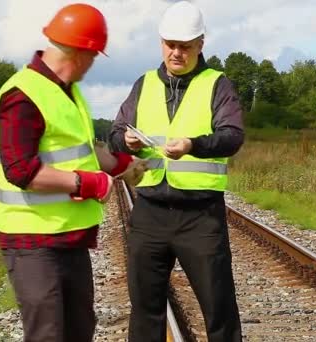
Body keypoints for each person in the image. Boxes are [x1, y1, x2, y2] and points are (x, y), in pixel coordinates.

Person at [0, 4, 144, 341]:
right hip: (32, 241)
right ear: (82, 51)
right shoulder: (22, 96)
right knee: (48, 334)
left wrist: (123, 166)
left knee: (78, 331)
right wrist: (87, 183)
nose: (91, 66)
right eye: (93, 57)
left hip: (69, 237)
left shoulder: (69, 92)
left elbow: (86, 151)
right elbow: (21, 170)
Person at [109, 2, 244, 341]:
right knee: (144, 311)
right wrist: (125, 141)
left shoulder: (218, 85)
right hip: (150, 213)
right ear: (161, 43)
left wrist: (193, 145)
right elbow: (114, 135)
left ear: (200, 44)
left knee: (219, 312)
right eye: (170, 44)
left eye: (185, 46)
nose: (176, 52)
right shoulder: (143, 86)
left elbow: (232, 136)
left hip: (200, 218)